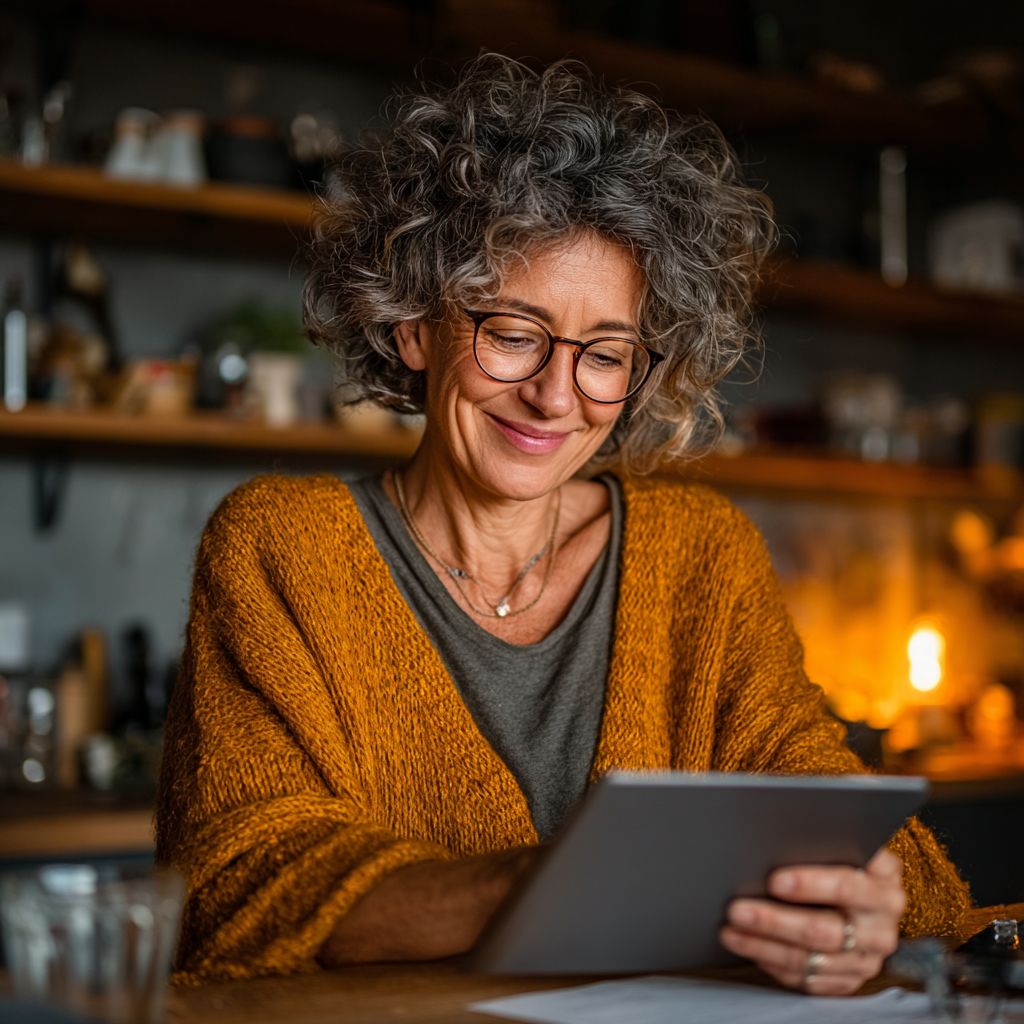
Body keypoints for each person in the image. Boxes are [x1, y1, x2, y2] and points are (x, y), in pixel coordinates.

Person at [156, 56, 970, 993]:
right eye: (512, 332)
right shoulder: (279, 547)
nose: (554, 395)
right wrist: (547, 882)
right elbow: (228, 891)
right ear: (416, 323)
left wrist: (863, 905)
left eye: (606, 354)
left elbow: (877, 847)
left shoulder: (702, 553)